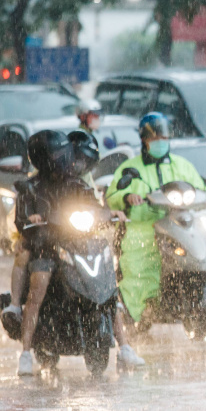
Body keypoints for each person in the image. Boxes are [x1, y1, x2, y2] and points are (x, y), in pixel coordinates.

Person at [4, 130, 143, 375]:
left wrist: (110, 214)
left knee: (108, 289)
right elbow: (21, 221)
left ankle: (125, 348)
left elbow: (94, 207)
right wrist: (32, 219)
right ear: (44, 158)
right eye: (57, 154)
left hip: (80, 245)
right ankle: (25, 353)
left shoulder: (77, 183)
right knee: (37, 290)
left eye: (63, 152)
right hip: (47, 247)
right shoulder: (31, 187)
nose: (63, 158)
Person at [105, 112, 206, 339]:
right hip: (143, 228)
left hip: (179, 226)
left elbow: (197, 190)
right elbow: (114, 195)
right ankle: (134, 318)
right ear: (144, 140)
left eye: (163, 138)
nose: (160, 143)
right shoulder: (131, 168)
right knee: (138, 269)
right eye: (154, 139)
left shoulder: (182, 165)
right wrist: (128, 197)